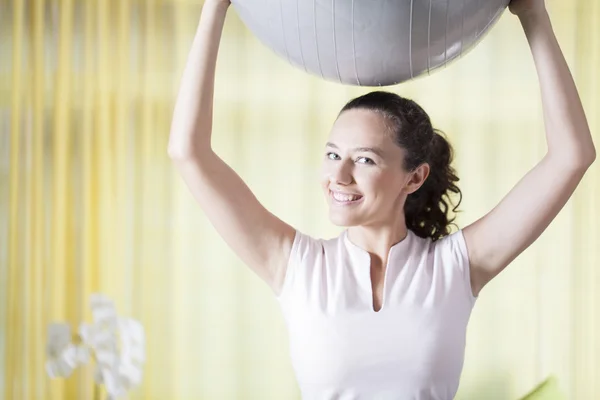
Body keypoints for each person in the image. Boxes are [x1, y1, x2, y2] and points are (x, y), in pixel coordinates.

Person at [167, 0, 595, 398]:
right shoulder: (296, 267)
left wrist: (534, 15)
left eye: (364, 160)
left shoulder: (454, 268)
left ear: (414, 177)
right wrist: (214, 8)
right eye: (333, 154)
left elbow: (572, 156)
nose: (338, 175)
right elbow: (188, 152)